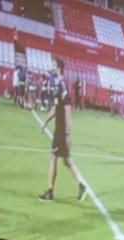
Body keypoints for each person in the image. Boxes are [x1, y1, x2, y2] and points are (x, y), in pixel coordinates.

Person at [38, 58, 87, 203]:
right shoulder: (57, 85)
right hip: (58, 129)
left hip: (61, 131)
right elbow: (55, 107)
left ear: (58, 68)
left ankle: (50, 192)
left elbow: (67, 108)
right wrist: (46, 122)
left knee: (53, 157)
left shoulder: (62, 85)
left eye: (53, 65)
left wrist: (67, 133)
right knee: (66, 161)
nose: (51, 68)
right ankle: (81, 185)